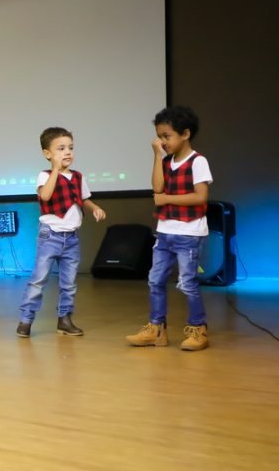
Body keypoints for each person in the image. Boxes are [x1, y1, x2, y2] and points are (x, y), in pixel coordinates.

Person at [126, 106, 212, 351]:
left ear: (185, 134)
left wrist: (167, 199)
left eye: (167, 136)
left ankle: (198, 329)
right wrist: (156, 157)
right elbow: (157, 187)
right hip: (164, 231)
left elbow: (200, 197)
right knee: (155, 280)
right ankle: (157, 329)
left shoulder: (198, 161)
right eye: (159, 137)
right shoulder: (166, 161)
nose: (162, 142)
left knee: (187, 282)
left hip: (189, 233)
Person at [16, 127, 106, 338]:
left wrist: (94, 208)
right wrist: (56, 170)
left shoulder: (78, 176)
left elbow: (83, 199)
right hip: (50, 236)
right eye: (61, 149)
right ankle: (26, 319)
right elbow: (45, 196)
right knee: (39, 280)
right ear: (47, 154)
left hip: (71, 238)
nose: (68, 153)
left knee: (69, 283)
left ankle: (64, 319)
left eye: (71, 148)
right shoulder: (44, 175)